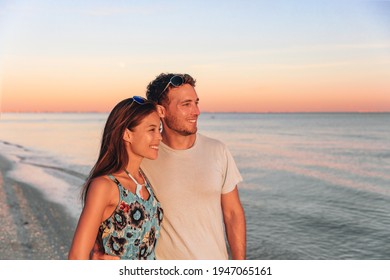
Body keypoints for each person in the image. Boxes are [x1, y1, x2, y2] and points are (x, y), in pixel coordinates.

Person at [93, 73, 246, 260]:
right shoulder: (144, 156)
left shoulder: (218, 151)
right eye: (186, 104)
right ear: (161, 111)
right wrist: (97, 250)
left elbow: (233, 213)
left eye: (196, 103)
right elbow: (104, 195)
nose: (196, 111)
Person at [68, 96, 164, 260]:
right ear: (127, 134)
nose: (159, 137)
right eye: (151, 130)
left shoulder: (143, 180)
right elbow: (77, 257)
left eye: (159, 129)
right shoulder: (105, 186)